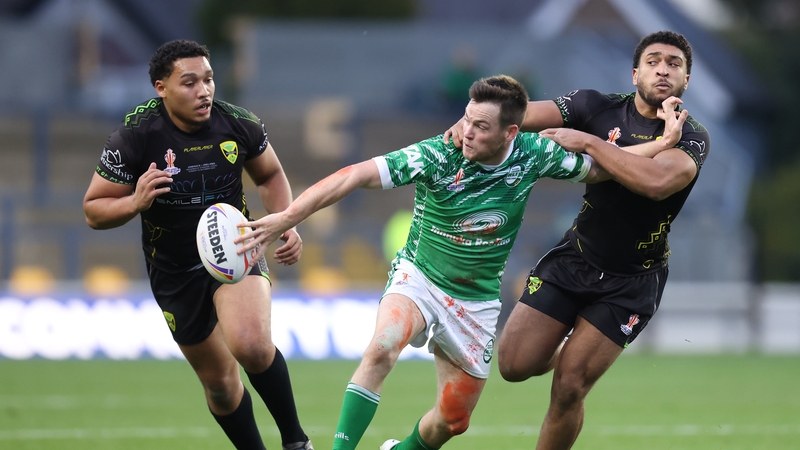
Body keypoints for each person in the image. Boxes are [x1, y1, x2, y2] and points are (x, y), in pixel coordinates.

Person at [234, 74, 661, 450]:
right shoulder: (439, 154)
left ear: (511, 131)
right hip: (419, 277)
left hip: (475, 301)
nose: (466, 132)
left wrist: (662, 144)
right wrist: (289, 217)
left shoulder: (534, 153)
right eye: (467, 119)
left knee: (453, 421)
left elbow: (601, 169)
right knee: (383, 347)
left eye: (481, 126)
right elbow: (356, 174)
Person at [445, 30, 710, 449]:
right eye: (654, 60)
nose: (663, 69)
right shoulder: (595, 105)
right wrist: (472, 123)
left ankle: (578, 351)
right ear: (635, 72)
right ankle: (569, 339)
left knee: (569, 386)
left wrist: (588, 142)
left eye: (674, 64)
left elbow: (657, 182)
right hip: (575, 258)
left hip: (631, 281)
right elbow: (518, 114)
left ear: (687, 80)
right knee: (513, 365)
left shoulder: (692, 136)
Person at [82, 39, 313, 450]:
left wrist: (286, 221)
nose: (204, 90)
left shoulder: (238, 124)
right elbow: (93, 210)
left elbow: (271, 176)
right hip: (173, 271)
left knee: (252, 347)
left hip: (237, 249)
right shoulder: (135, 137)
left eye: (208, 79)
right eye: (189, 82)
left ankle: (296, 442)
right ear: (161, 87)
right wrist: (134, 201)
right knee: (221, 385)